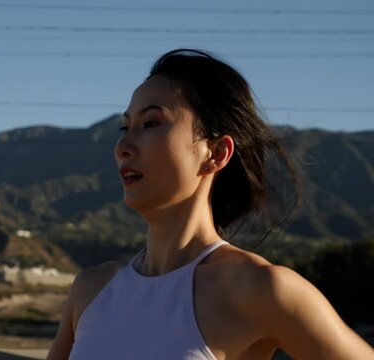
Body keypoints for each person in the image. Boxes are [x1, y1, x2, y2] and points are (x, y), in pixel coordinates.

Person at [46, 49, 374, 359]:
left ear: (216, 153)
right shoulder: (91, 290)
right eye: (124, 126)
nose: (123, 146)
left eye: (151, 123)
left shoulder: (261, 289)